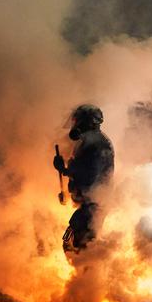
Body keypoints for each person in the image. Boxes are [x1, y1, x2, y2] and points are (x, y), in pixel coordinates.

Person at [53, 104, 114, 253]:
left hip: (93, 208)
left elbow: (90, 175)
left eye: (77, 121)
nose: (74, 125)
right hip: (89, 207)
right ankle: (87, 273)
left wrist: (65, 169)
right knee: (73, 245)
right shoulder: (91, 143)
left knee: (82, 250)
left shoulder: (97, 144)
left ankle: (89, 275)